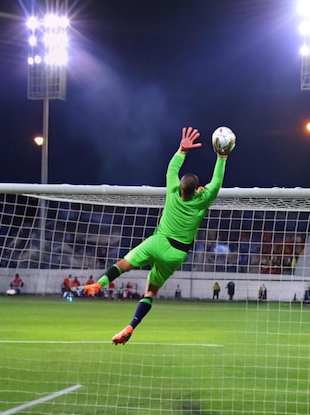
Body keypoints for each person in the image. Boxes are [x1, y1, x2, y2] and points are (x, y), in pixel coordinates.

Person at [83, 127, 230, 345]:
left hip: (157, 242)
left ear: (180, 187)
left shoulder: (173, 191)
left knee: (124, 264)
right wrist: (222, 156)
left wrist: (182, 150)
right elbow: (216, 181)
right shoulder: (203, 199)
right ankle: (131, 325)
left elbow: (172, 169)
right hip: (177, 254)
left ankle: (98, 284)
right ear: (198, 190)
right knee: (150, 291)